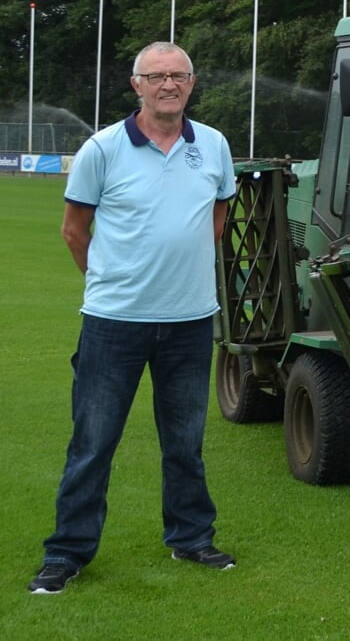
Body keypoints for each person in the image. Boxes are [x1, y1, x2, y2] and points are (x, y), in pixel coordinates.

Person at [33, 43, 237, 596]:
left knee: (185, 441)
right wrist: (111, 283)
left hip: (192, 321)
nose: (168, 84)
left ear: (191, 84)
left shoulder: (214, 145)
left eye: (179, 76)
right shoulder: (103, 148)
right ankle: (67, 553)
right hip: (114, 323)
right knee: (93, 443)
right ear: (136, 85)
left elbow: (216, 217)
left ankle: (191, 537)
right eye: (156, 76)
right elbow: (75, 231)